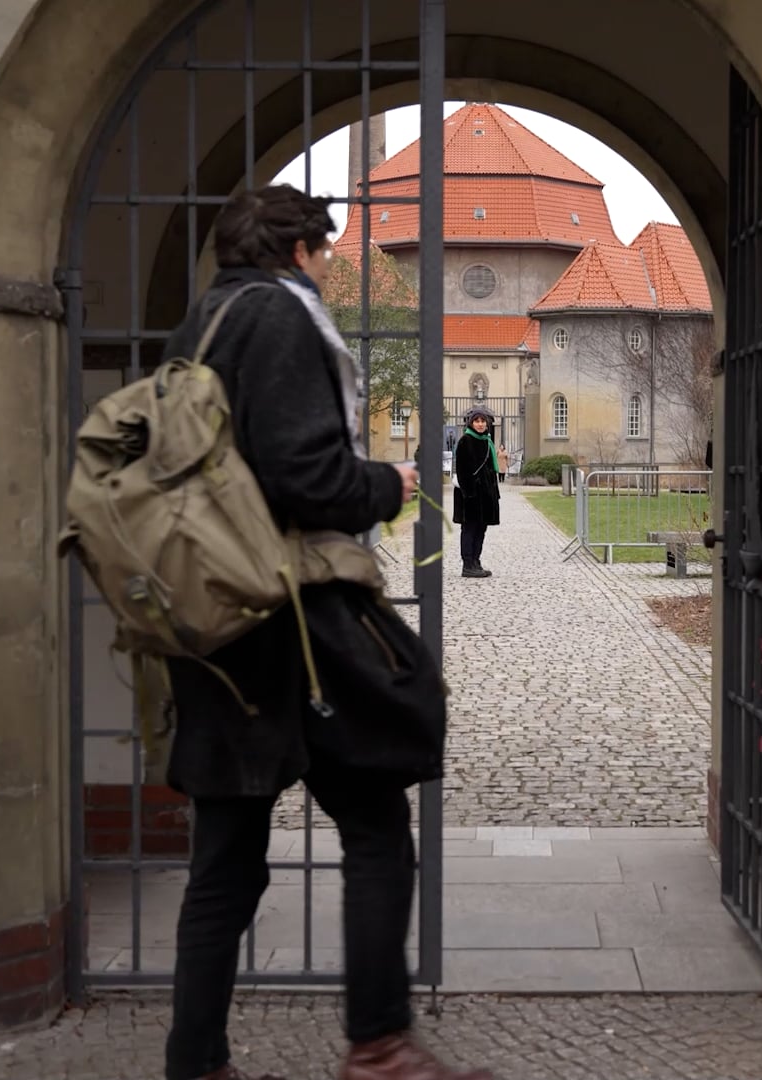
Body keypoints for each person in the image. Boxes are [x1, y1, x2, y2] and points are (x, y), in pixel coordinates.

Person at [159, 184, 492, 1080]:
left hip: (213, 614)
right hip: (296, 614)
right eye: (325, 254)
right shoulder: (280, 320)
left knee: (223, 860)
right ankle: (379, 1046)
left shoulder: (202, 327)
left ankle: (195, 1065)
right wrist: (386, 484)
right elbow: (303, 475)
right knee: (379, 824)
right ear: (301, 252)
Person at [451, 405, 503, 578]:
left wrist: (494, 494)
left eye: (482, 421)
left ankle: (476, 561)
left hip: (486, 497)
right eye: (476, 421)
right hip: (471, 497)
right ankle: (467, 565)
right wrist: (470, 494)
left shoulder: (487, 441)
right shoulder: (465, 441)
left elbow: (490, 472)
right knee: (469, 529)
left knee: (481, 530)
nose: (480, 424)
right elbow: (463, 470)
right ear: (471, 423)